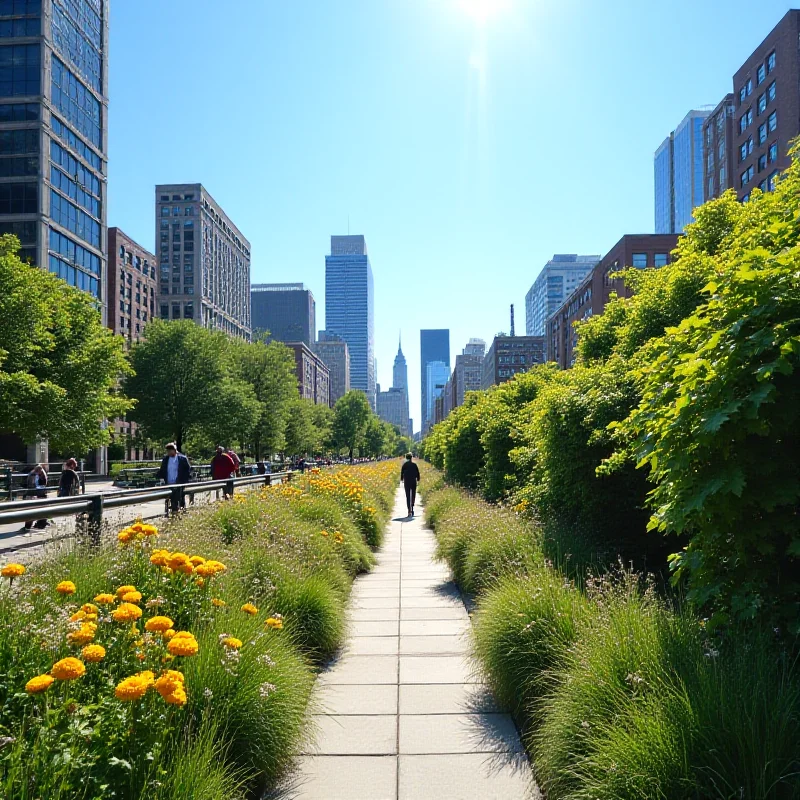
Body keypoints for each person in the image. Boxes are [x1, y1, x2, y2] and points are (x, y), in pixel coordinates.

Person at [157, 443, 191, 515]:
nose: (168, 452)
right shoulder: (166, 459)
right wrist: (161, 477)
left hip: (179, 482)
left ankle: (179, 510)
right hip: (168, 482)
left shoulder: (182, 459)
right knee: (170, 497)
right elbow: (162, 469)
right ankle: (172, 511)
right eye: (168, 451)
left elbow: (187, 470)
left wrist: (184, 481)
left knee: (179, 497)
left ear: (174, 450)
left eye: (170, 451)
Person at [23, 464, 49, 530]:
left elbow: (43, 483)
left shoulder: (37, 474)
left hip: (37, 493)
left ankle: (39, 524)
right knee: (34, 510)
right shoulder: (33, 474)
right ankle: (34, 524)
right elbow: (32, 485)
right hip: (35, 493)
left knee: (38, 509)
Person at [400, 453, 421, 517]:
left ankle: (409, 509)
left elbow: (402, 473)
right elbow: (417, 473)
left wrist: (402, 479)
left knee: (408, 495)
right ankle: (412, 506)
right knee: (413, 494)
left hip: (407, 481)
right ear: (411, 457)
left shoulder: (404, 465)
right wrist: (418, 479)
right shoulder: (414, 465)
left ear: (406, 458)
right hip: (413, 481)